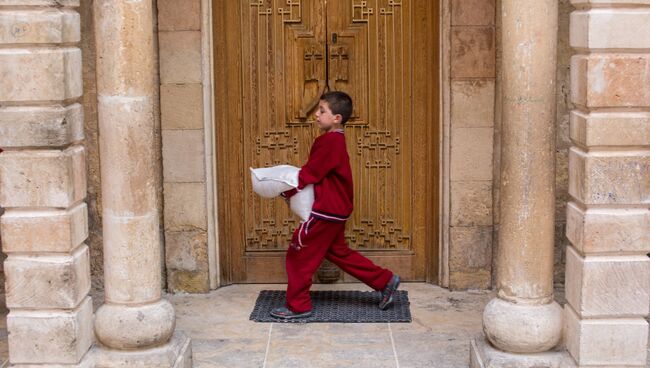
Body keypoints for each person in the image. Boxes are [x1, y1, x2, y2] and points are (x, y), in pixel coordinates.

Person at [270, 91, 400, 320]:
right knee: (338, 252)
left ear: (337, 118)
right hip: (336, 209)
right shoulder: (336, 140)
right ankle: (385, 281)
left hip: (326, 211)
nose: (317, 115)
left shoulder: (328, 141)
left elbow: (311, 173)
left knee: (299, 254)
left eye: (322, 111)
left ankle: (298, 306)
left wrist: (285, 189)